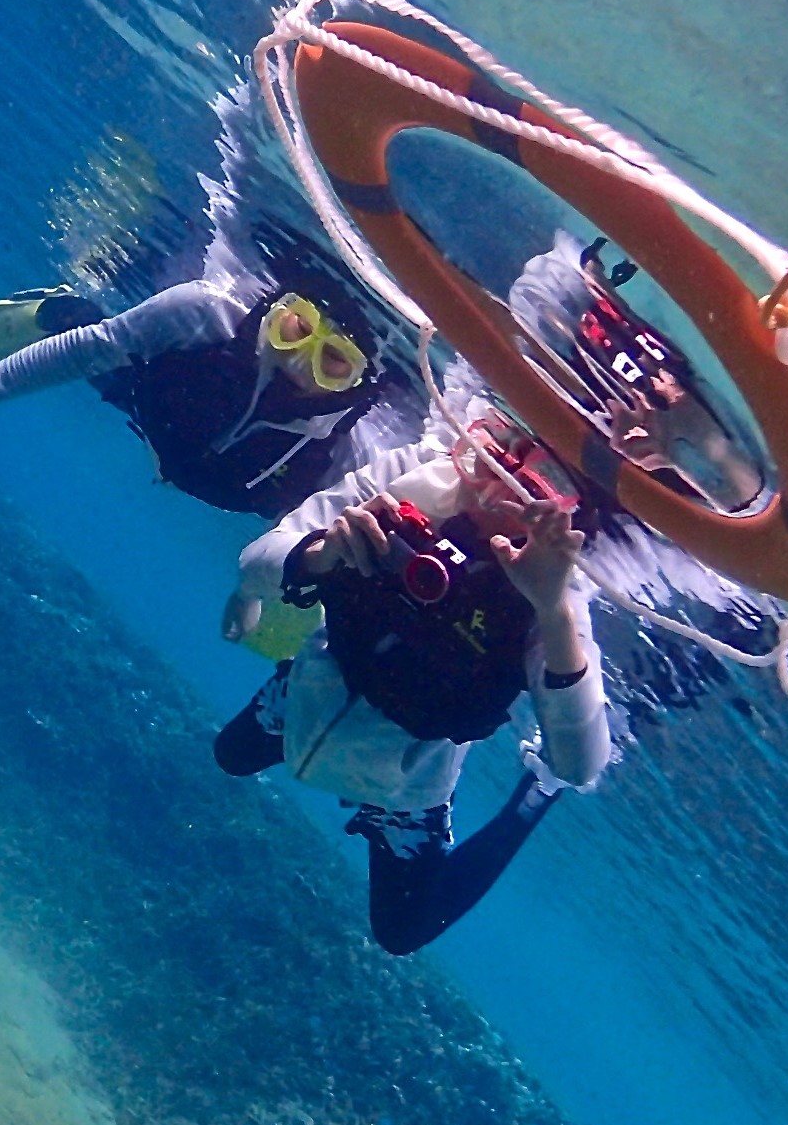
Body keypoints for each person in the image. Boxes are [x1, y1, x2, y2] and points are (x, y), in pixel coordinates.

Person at [212, 408, 613, 956]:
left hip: (407, 789)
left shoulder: (557, 590)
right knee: (230, 755)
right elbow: (261, 555)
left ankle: (535, 795)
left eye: (538, 484)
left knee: (401, 931)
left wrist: (551, 610)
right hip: (309, 693)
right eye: (495, 453)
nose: (495, 485)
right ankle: (294, 683)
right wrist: (322, 555)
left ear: (562, 515)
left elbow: (581, 765)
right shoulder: (415, 474)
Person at [0, 277, 384, 519]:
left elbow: (341, 520)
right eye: (298, 330)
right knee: (83, 329)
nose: (298, 359)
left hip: (235, 483)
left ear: (357, 381)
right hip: (147, 401)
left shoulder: (357, 446)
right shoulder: (205, 313)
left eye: (332, 360)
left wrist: (270, 583)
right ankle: (52, 307)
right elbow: (88, 350)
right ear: (283, 309)